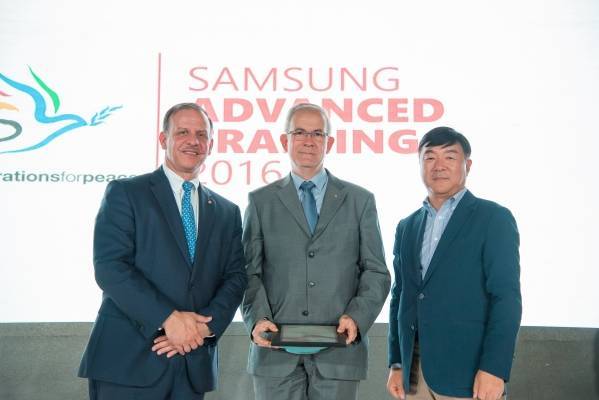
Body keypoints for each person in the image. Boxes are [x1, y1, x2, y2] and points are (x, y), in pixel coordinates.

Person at [78, 103, 247, 399]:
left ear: (210, 144)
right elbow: (110, 267)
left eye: (201, 134)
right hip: (128, 362)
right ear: (163, 139)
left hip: (192, 362)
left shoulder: (226, 211)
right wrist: (168, 319)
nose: (193, 141)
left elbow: (235, 278)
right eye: (182, 132)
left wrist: (201, 330)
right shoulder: (126, 193)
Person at [242, 103, 391, 400]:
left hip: (339, 353)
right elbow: (248, 272)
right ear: (284, 140)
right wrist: (257, 319)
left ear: (329, 142)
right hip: (274, 353)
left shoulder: (360, 201)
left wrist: (357, 317)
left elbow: (376, 271)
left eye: (317, 134)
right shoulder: (261, 201)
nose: (308, 141)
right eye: (299, 132)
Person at [386, 127, 522, 400]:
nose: (439, 166)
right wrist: (397, 363)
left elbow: (506, 298)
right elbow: (400, 297)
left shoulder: (493, 219)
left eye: (449, 157)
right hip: (415, 375)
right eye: (430, 157)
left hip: (470, 374)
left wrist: (494, 368)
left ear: (467, 165)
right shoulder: (407, 226)